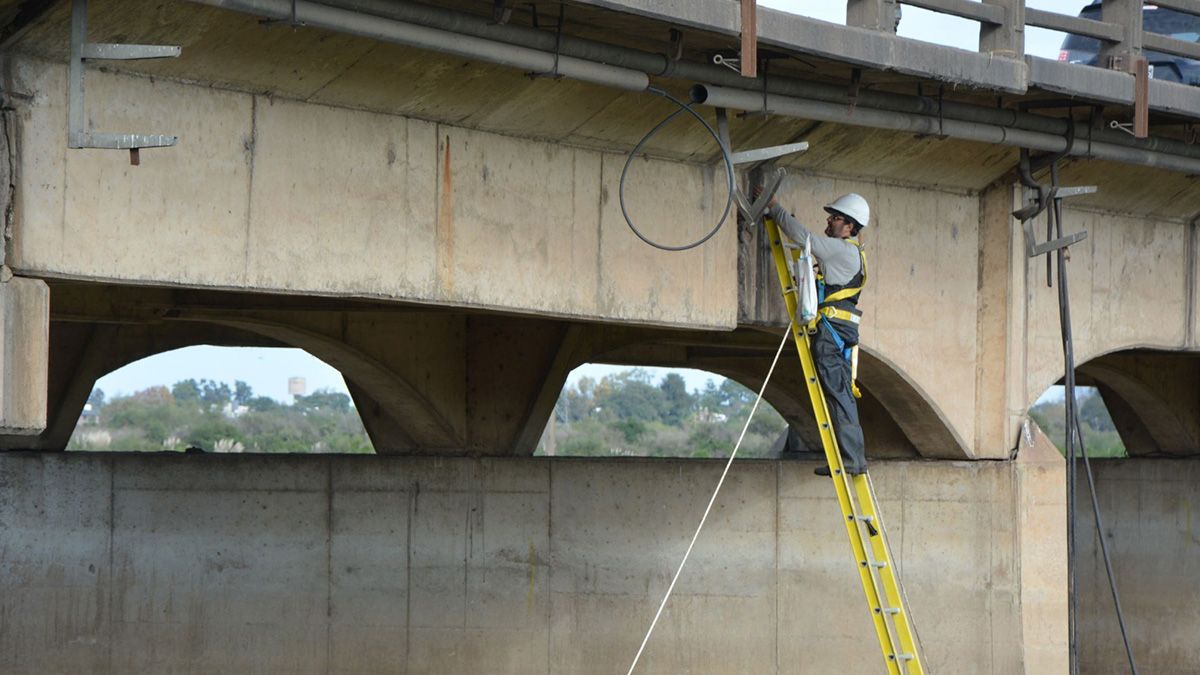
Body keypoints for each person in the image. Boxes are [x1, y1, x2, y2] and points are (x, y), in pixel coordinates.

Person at [759, 189, 871, 476]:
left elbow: (804, 238)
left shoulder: (841, 249)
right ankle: (853, 458)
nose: (829, 221)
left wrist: (775, 208)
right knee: (840, 394)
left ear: (850, 226)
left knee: (838, 396)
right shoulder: (853, 254)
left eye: (835, 218)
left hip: (831, 333)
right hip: (841, 331)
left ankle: (852, 459)